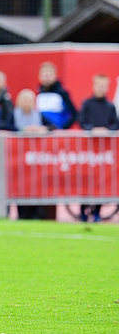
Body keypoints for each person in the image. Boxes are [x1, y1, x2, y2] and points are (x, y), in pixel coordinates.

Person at [77, 74, 119, 222]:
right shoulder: (87, 104)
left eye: (104, 86)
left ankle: (97, 212)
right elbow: (81, 121)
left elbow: (115, 123)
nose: (101, 88)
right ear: (93, 86)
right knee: (86, 180)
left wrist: (106, 130)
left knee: (102, 181)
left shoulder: (110, 106)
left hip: (104, 152)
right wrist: (92, 130)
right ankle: (83, 210)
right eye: (99, 85)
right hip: (88, 151)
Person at [36, 61, 77, 130]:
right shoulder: (38, 95)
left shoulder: (62, 93)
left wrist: (63, 128)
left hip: (57, 134)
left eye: (49, 74)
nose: (46, 77)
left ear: (55, 75)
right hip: (41, 133)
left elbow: (74, 113)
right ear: (39, 77)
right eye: (44, 75)